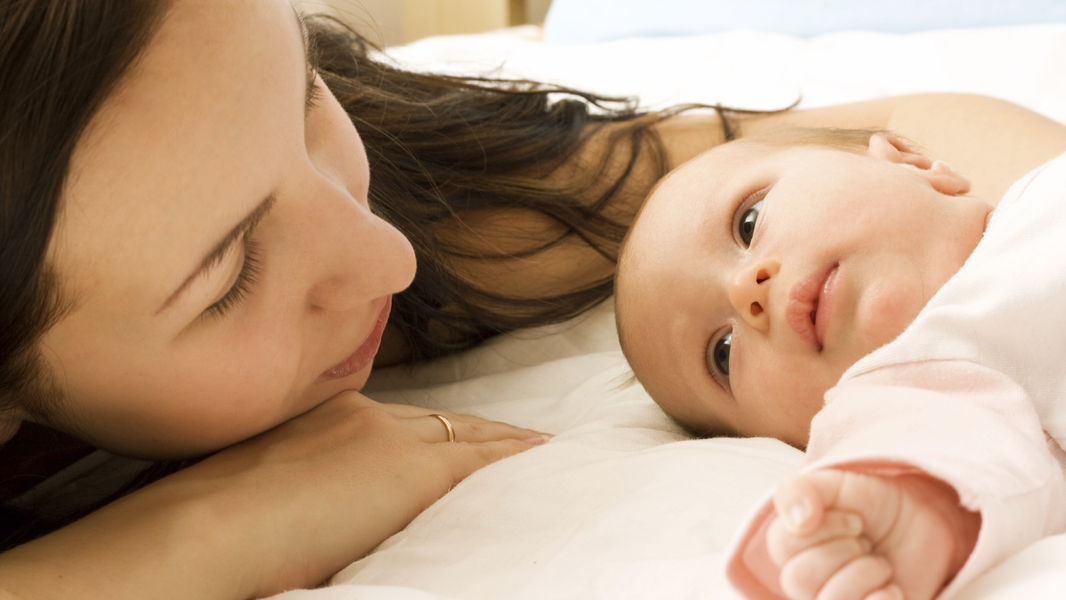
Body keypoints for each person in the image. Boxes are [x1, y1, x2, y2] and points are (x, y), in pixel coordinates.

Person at [3, 1, 1066, 598]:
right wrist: (189, 539)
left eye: (306, 97)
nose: (390, 261)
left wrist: (1017, 274)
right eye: (228, 278)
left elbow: (906, 136)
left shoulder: (443, 195)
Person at [614, 126, 1066, 600]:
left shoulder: (1039, 188)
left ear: (908, 162)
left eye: (748, 222)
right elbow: (955, 461)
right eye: (722, 353)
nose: (745, 289)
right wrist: (895, 515)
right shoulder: (910, 390)